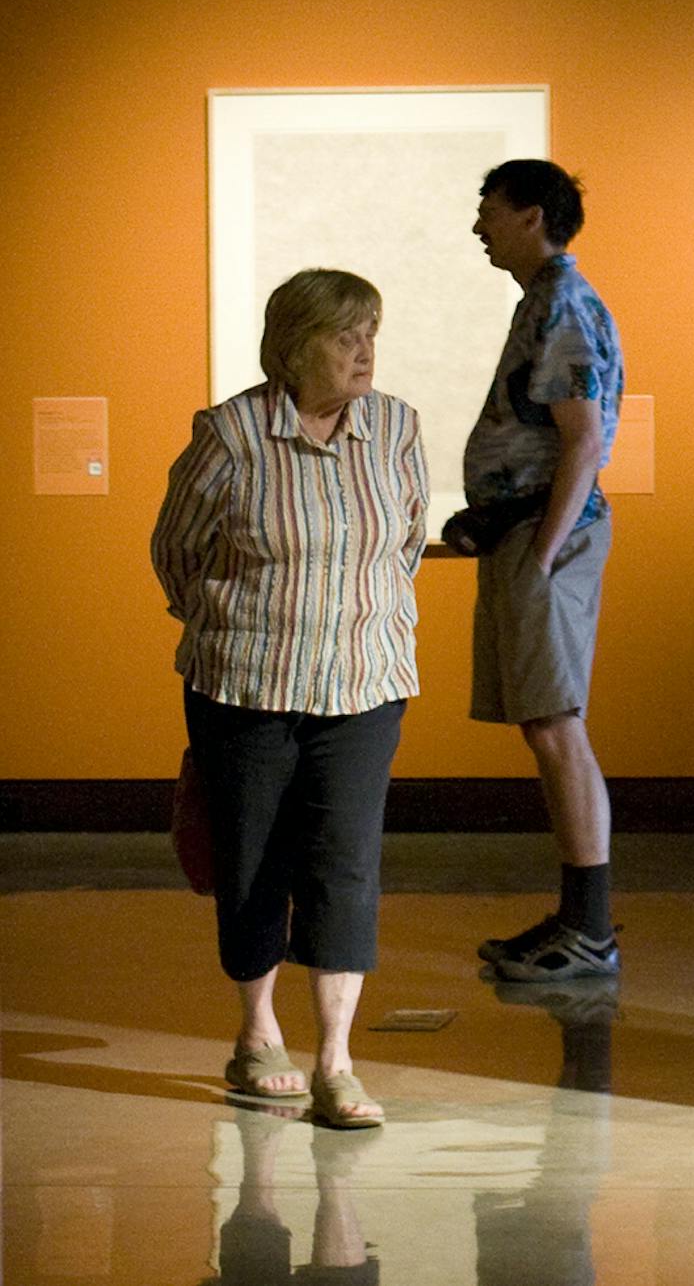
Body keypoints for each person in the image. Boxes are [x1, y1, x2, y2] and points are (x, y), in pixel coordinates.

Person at [152, 269, 427, 1130]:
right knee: (254, 860)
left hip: (365, 683)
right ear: (293, 345)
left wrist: (353, 614)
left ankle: (337, 1061)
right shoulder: (230, 435)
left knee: (346, 861)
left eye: (370, 332)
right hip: (247, 684)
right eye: (345, 336)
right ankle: (257, 1031)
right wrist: (246, 622)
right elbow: (176, 553)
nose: (364, 352)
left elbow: (408, 539)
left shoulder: (396, 428)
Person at [462, 159, 625, 982]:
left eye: (488, 209)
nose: (478, 225)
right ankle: (580, 922)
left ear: (531, 215)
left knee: (557, 725)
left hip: (543, 540)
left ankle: (589, 931)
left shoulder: (560, 303)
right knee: (549, 725)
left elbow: (583, 441)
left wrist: (542, 546)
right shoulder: (546, 300)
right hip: (526, 532)